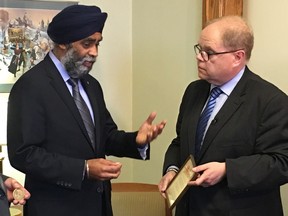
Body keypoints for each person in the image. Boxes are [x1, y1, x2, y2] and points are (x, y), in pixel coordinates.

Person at [7, 5, 166, 216]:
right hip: (55, 209)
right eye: (87, 44)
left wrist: (136, 140)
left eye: (98, 43)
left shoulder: (91, 85)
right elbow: (23, 154)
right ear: (63, 42)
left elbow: (105, 136)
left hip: (98, 207)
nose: (95, 52)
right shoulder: (31, 86)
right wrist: (84, 169)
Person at [158, 15, 288, 216]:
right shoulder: (194, 91)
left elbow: (281, 163)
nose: (199, 57)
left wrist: (227, 170)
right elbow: (180, 141)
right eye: (199, 49)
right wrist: (172, 170)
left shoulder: (271, 101)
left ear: (237, 56)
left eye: (209, 52)